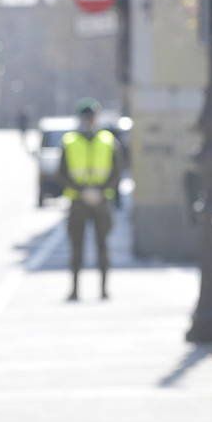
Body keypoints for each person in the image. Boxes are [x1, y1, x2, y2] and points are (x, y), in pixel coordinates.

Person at [59, 99, 121, 301]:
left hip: (101, 200)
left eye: (92, 117)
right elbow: (62, 172)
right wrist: (82, 191)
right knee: (76, 247)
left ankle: (104, 289)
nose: (89, 121)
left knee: (102, 246)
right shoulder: (70, 141)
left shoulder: (108, 140)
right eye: (86, 117)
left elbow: (117, 171)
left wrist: (100, 191)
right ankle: (75, 289)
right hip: (78, 200)